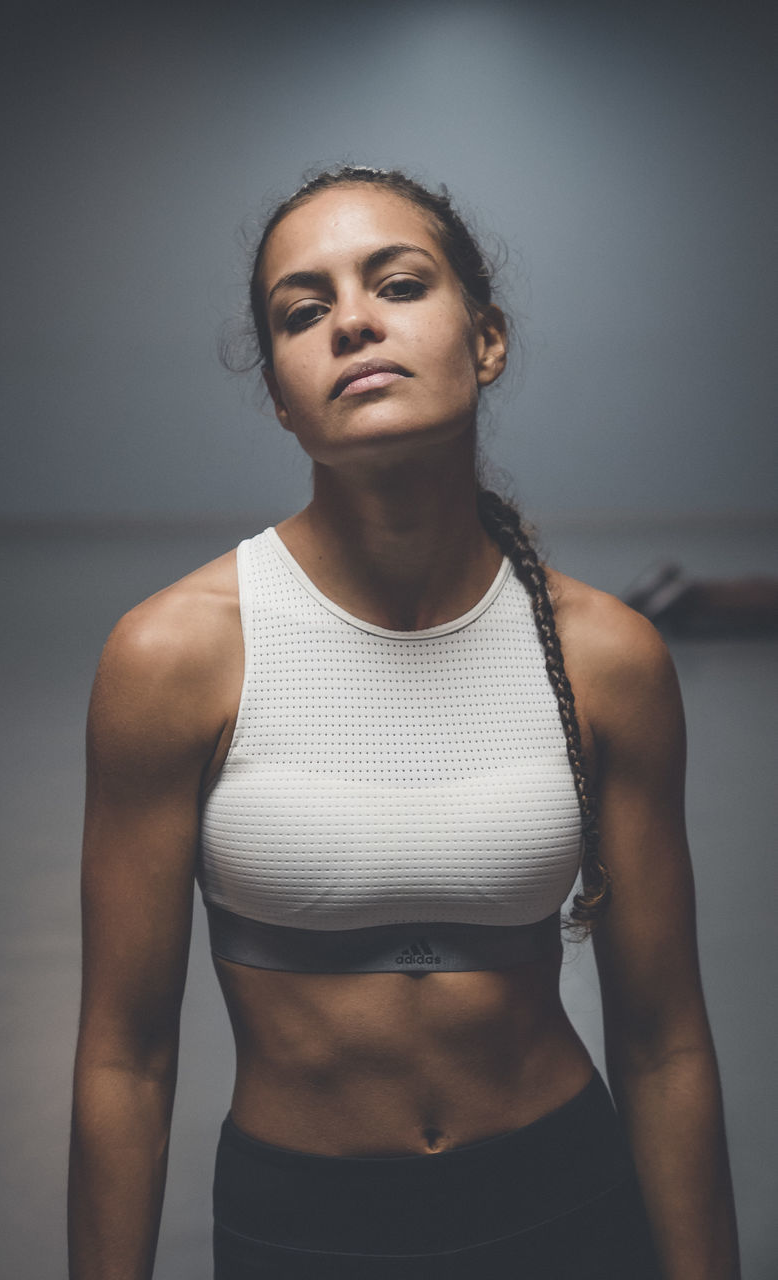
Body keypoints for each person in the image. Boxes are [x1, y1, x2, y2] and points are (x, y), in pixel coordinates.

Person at [68, 167, 740, 1279]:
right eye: (303, 308)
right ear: (280, 395)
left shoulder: (608, 656)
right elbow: (124, 1058)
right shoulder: (172, 656)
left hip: (565, 1209)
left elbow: (665, 1042)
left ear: (486, 341)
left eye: (396, 282)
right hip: (302, 1227)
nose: (353, 322)